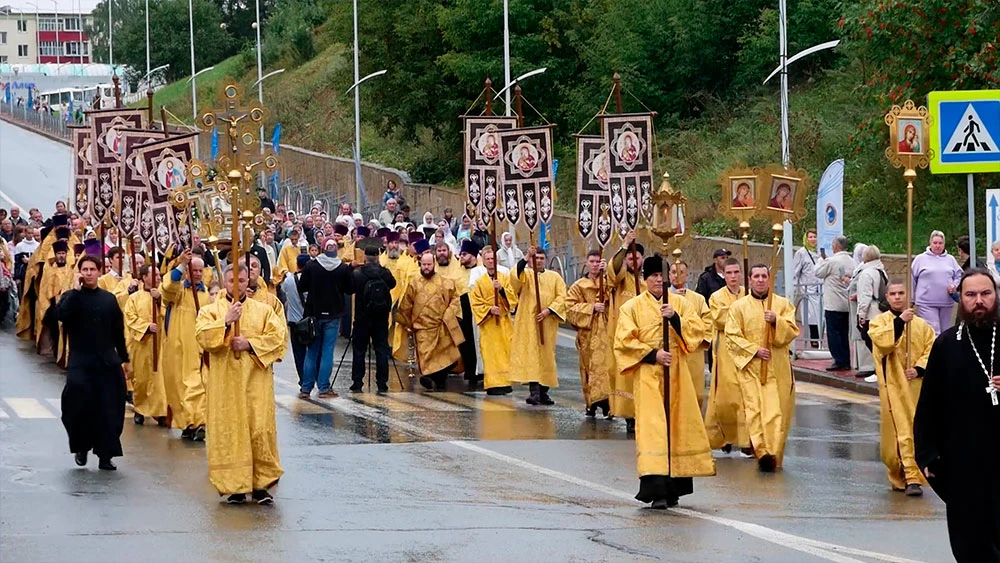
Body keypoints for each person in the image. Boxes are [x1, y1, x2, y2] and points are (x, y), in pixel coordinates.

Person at [614, 254, 715, 508]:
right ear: (645, 279)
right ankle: (656, 489)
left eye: (662, 276)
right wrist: (653, 354)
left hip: (677, 373)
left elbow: (697, 332)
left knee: (678, 427)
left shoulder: (680, 303)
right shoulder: (632, 307)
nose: (659, 280)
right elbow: (624, 341)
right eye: (653, 276)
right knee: (654, 430)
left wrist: (676, 320)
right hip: (649, 375)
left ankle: (675, 488)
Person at [914, 269, 1000, 562]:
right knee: (970, 547)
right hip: (964, 465)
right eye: (971, 295)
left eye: (986, 294)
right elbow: (929, 405)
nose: (979, 301)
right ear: (960, 299)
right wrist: (926, 454)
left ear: (996, 296)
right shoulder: (947, 345)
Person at [195, 266, 287, 505]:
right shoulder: (210, 310)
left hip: (255, 382)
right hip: (225, 384)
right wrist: (225, 322)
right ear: (223, 281)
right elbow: (203, 337)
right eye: (231, 280)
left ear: (249, 282)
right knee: (230, 432)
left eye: (242, 281)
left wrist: (249, 344)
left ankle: (260, 485)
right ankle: (234, 486)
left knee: (259, 430)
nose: (236, 285)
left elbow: (278, 339)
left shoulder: (264, 310)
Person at [57, 254, 130, 471]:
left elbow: (118, 331)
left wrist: (125, 359)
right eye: (85, 269)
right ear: (80, 272)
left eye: (92, 269)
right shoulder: (71, 297)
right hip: (81, 360)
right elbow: (61, 315)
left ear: (99, 272)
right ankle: (81, 445)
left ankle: (105, 454)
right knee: (76, 404)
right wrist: (74, 292)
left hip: (107, 361)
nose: (88, 273)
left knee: (109, 408)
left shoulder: (108, 299)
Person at [725, 264, 799, 472]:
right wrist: (754, 350)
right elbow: (732, 336)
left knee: (776, 412)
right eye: (756, 276)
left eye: (763, 276)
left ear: (769, 279)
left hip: (777, 368)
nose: (760, 280)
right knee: (755, 411)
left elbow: (792, 331)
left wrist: (777, 321)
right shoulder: (739, 307)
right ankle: (761, 450)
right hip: (751, 368)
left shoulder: (781, 304)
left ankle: (774, 452)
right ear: (749, 279)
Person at [867, 280, 935, 496]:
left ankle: (913, 476)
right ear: (887, 297)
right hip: (892, 389)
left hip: (914, 389)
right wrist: (899, 324)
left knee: (912, 431)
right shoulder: (878, 323)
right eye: (893, 294)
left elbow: (931, 349)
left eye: (901, 293)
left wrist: (918, 369)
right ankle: (899, 472)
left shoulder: (922, 326)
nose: (897, 297)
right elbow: (882, 344)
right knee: (894, 437)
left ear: (907, 296)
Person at [396, 244, 464, 391]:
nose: (426, 267)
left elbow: (455, 299)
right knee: (426, 357)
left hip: (441, 325)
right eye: (424, 264)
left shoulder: (444, 282)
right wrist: (406, 322)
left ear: (434, 264)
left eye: (429, 264)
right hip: (422, 327)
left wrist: (449, 314)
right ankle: (429, 377)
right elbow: (407, 303)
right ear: (420, 263)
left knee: (445, 356)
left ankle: (438, 380)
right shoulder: (414, 282)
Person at [159, 251, 209, 441]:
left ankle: (199, 422)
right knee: (178, 386)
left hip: (198, 347)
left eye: (200, 270)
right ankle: (187, 423)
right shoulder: (179, 291)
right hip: (178, 347)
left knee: (197, 385)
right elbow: (168, 287)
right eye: (193, 270)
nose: (197, 274)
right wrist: (180, 265)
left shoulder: (206, 295)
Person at [509, 246, 568, 405]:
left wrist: (549, 310)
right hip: (529, 322)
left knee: (546, 358)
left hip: (547, 323)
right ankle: (534, 391)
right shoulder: (527, 275)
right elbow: (515, 278)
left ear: (546, 260)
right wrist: (527, 256)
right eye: (536, 258)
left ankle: (544, 391)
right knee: (532, 357)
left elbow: (562, 297)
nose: (539, 261)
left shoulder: (554, 277)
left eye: (542, 258)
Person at [704, 258, 750, 455]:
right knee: (725, 396)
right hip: (725, 351)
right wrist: (742, 314)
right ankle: (724, 436)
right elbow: (721, 319)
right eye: (729, 273)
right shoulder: (716, 297)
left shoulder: (748, 294)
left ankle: (748, 440)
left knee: (746, 396)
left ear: (741, 274)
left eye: (736, 272)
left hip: (746, 350)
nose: (733, 277)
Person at [298, 239, 354, 398]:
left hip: (314, 313)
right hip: (334, 313)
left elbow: (302, 286)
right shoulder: (342, 268)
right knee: (327, 351)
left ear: (322, 249)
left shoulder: (311, 265)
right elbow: (349, 289)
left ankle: (306, 388)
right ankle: (323, 387)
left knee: (312, 351)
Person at [566, 250, 614, 417]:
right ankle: (591, 403)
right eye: (592, 261)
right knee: (588, 368)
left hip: (606, 331)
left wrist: (607, 274)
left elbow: (615, 299)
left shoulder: (607, 283)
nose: (594, 265)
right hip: (587, 333)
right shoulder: (579, 286)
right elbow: (569, 308)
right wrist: (591, 308)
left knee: (607, 367)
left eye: (597, 262)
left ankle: (608, 402)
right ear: (586, 263)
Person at [122, 264, 169, 427]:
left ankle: (160, 411)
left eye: (158, 274)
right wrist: (146, 327)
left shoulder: (162, 294)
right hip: (141, 345)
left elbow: (168, 312)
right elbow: (130, 318)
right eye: (153, 274)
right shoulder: (135, 298)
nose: (157, 277)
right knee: (141, 379)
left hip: (160, 343)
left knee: (159, 379)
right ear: (144, 277)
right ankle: (140, 409)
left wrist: (159, 300)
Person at [607, 231, 645, 430]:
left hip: (645, 336)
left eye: (636, 257)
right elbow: (613, 268)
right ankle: (630, 416)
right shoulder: (621, 279)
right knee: (626, 377)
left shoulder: (648, 281)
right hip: (624, 335)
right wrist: (624, 245)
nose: (633, 261)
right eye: (630, 258)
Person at [469, 247, 516, 395]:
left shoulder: (504, 277)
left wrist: (501, 290)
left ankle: (506, 382)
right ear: (483, 260)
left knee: (504, 351)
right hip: (489, 324)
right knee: (490, 354)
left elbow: (513, 297)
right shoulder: (479, 282)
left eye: (493, 259)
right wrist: (489, 309)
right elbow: (475, 302)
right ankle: (493, 383)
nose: (490, 261)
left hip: (503, 322)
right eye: (487, 259)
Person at [350, 245, 397, 393]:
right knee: (381, 350)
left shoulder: (358, 274)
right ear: (377, 257)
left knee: (359, 351)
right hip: (381, 318)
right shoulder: (385, 273)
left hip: (362, 318)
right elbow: (393, 284)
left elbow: (350, 288)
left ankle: (357, 382)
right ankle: (382, 382)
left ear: (365, 257)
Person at [668, 259, 712, 410]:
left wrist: (696, 337)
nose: (677, 276)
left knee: (695, 394)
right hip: (671, 353)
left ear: (687, 275)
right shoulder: (663, 298)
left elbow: (708, 323)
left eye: (681, 273)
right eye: (674, 272)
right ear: (669, 275)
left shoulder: (698, 299)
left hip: (693, 353)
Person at [814, 235, 856, 371]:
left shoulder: (832, 261)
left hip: (833, 303)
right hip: (846, 303)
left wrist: (821, 260)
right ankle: (845, 359)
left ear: (835, 246)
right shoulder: (852, 261)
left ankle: (839, 360)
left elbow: (818, 272)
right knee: (844, 333)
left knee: (834, 333)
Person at [911, 230, 963, 335]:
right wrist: (911, 299)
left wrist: (954, 285)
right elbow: (912, 280)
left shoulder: (950, 259)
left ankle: (945, 351)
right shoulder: (920, 259)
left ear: (944, 244)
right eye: (935, 243)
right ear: (930, 243)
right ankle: (933, 351)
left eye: (940, 243)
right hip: (925, 302)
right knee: (934, 331)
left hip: (946, 302)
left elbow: (959, 275)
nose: (937, 246)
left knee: (946, 332)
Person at [854, 245, 887, 380]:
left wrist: (861, 316)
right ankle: (880, 367)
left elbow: (865, 297)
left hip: (871, 313)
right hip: (881, 311)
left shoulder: (866, 273)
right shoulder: (881, 271)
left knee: (869, 340)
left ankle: (878, 368)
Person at [281, 254, 311, 385]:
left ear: (297, 265)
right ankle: (310, 377)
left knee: (299, 353)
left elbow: (284, 291)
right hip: (310, 321)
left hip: (294, 321)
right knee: (312, 351)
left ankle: (302, 378)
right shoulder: (312, 279)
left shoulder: (289, 281)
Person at [792, 229, 821, 347]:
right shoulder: (801, 253)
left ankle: (820, 340)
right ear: (806, 238)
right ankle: (814, 339)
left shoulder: (820, 253)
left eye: (815, 237)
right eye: (810, 237)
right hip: (807, 289)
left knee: (820, 316)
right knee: (811, 316)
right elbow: (795, 271)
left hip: (819, 289)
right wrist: (795, 288)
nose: (813, 239)